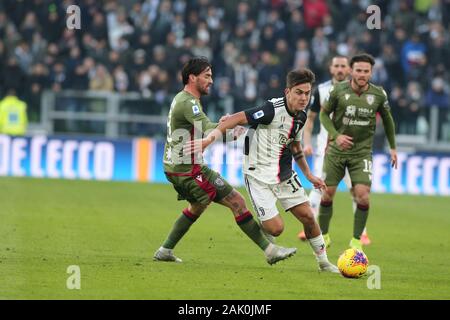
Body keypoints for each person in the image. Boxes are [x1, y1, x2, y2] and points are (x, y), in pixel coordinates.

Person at [193, 68, 339, 273]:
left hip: (284, 174)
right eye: (299, 92)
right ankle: (264, 235)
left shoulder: (302, 116)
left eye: (307, 93)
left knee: (308, 216)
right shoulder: (271, 109)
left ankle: (324, 263)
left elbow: (296, 147)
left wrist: (309, 175)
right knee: (276, 229)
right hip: (257, 174)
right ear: (287, 92)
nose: (304, 97)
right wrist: (209, 139)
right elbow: (234, 118)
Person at [154, 57, 297, 265]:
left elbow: (207, 129)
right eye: (207, 76)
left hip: (181, 166)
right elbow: (207, 128)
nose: (211, 80)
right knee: (236, 201)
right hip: (187, 169)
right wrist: (227, 126)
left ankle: (165, 250)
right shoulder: (189, 103)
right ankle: (270, 250)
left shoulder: (182, 99)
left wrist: (228, 129)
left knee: (199, 206)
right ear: (192, 77)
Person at [318, 53, 397, 251]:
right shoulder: (337, 91)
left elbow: (388, 120)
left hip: (361, 153)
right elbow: (323, 115)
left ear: (371, 72)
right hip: (336, 152)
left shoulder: (379, 94)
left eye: (366, 71)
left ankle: (356, 240)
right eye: (359, 70)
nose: (362, 74)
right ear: (351, 71)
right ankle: (324, 236)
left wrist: (393, 147)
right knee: (327, 195)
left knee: (363, 196)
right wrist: (336, 135)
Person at [298, 55, 371, 246]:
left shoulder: (360, 91)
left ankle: (362, 233)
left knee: (357, 190)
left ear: (349, 69)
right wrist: (307, 142)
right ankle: (310, 227)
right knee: (319, 186)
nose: (339, 69)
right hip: (326, 149)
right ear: (331, 69)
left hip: (354, 150)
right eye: (336, 66)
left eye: (343, 66)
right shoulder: (321, 91)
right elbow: (310, 119)